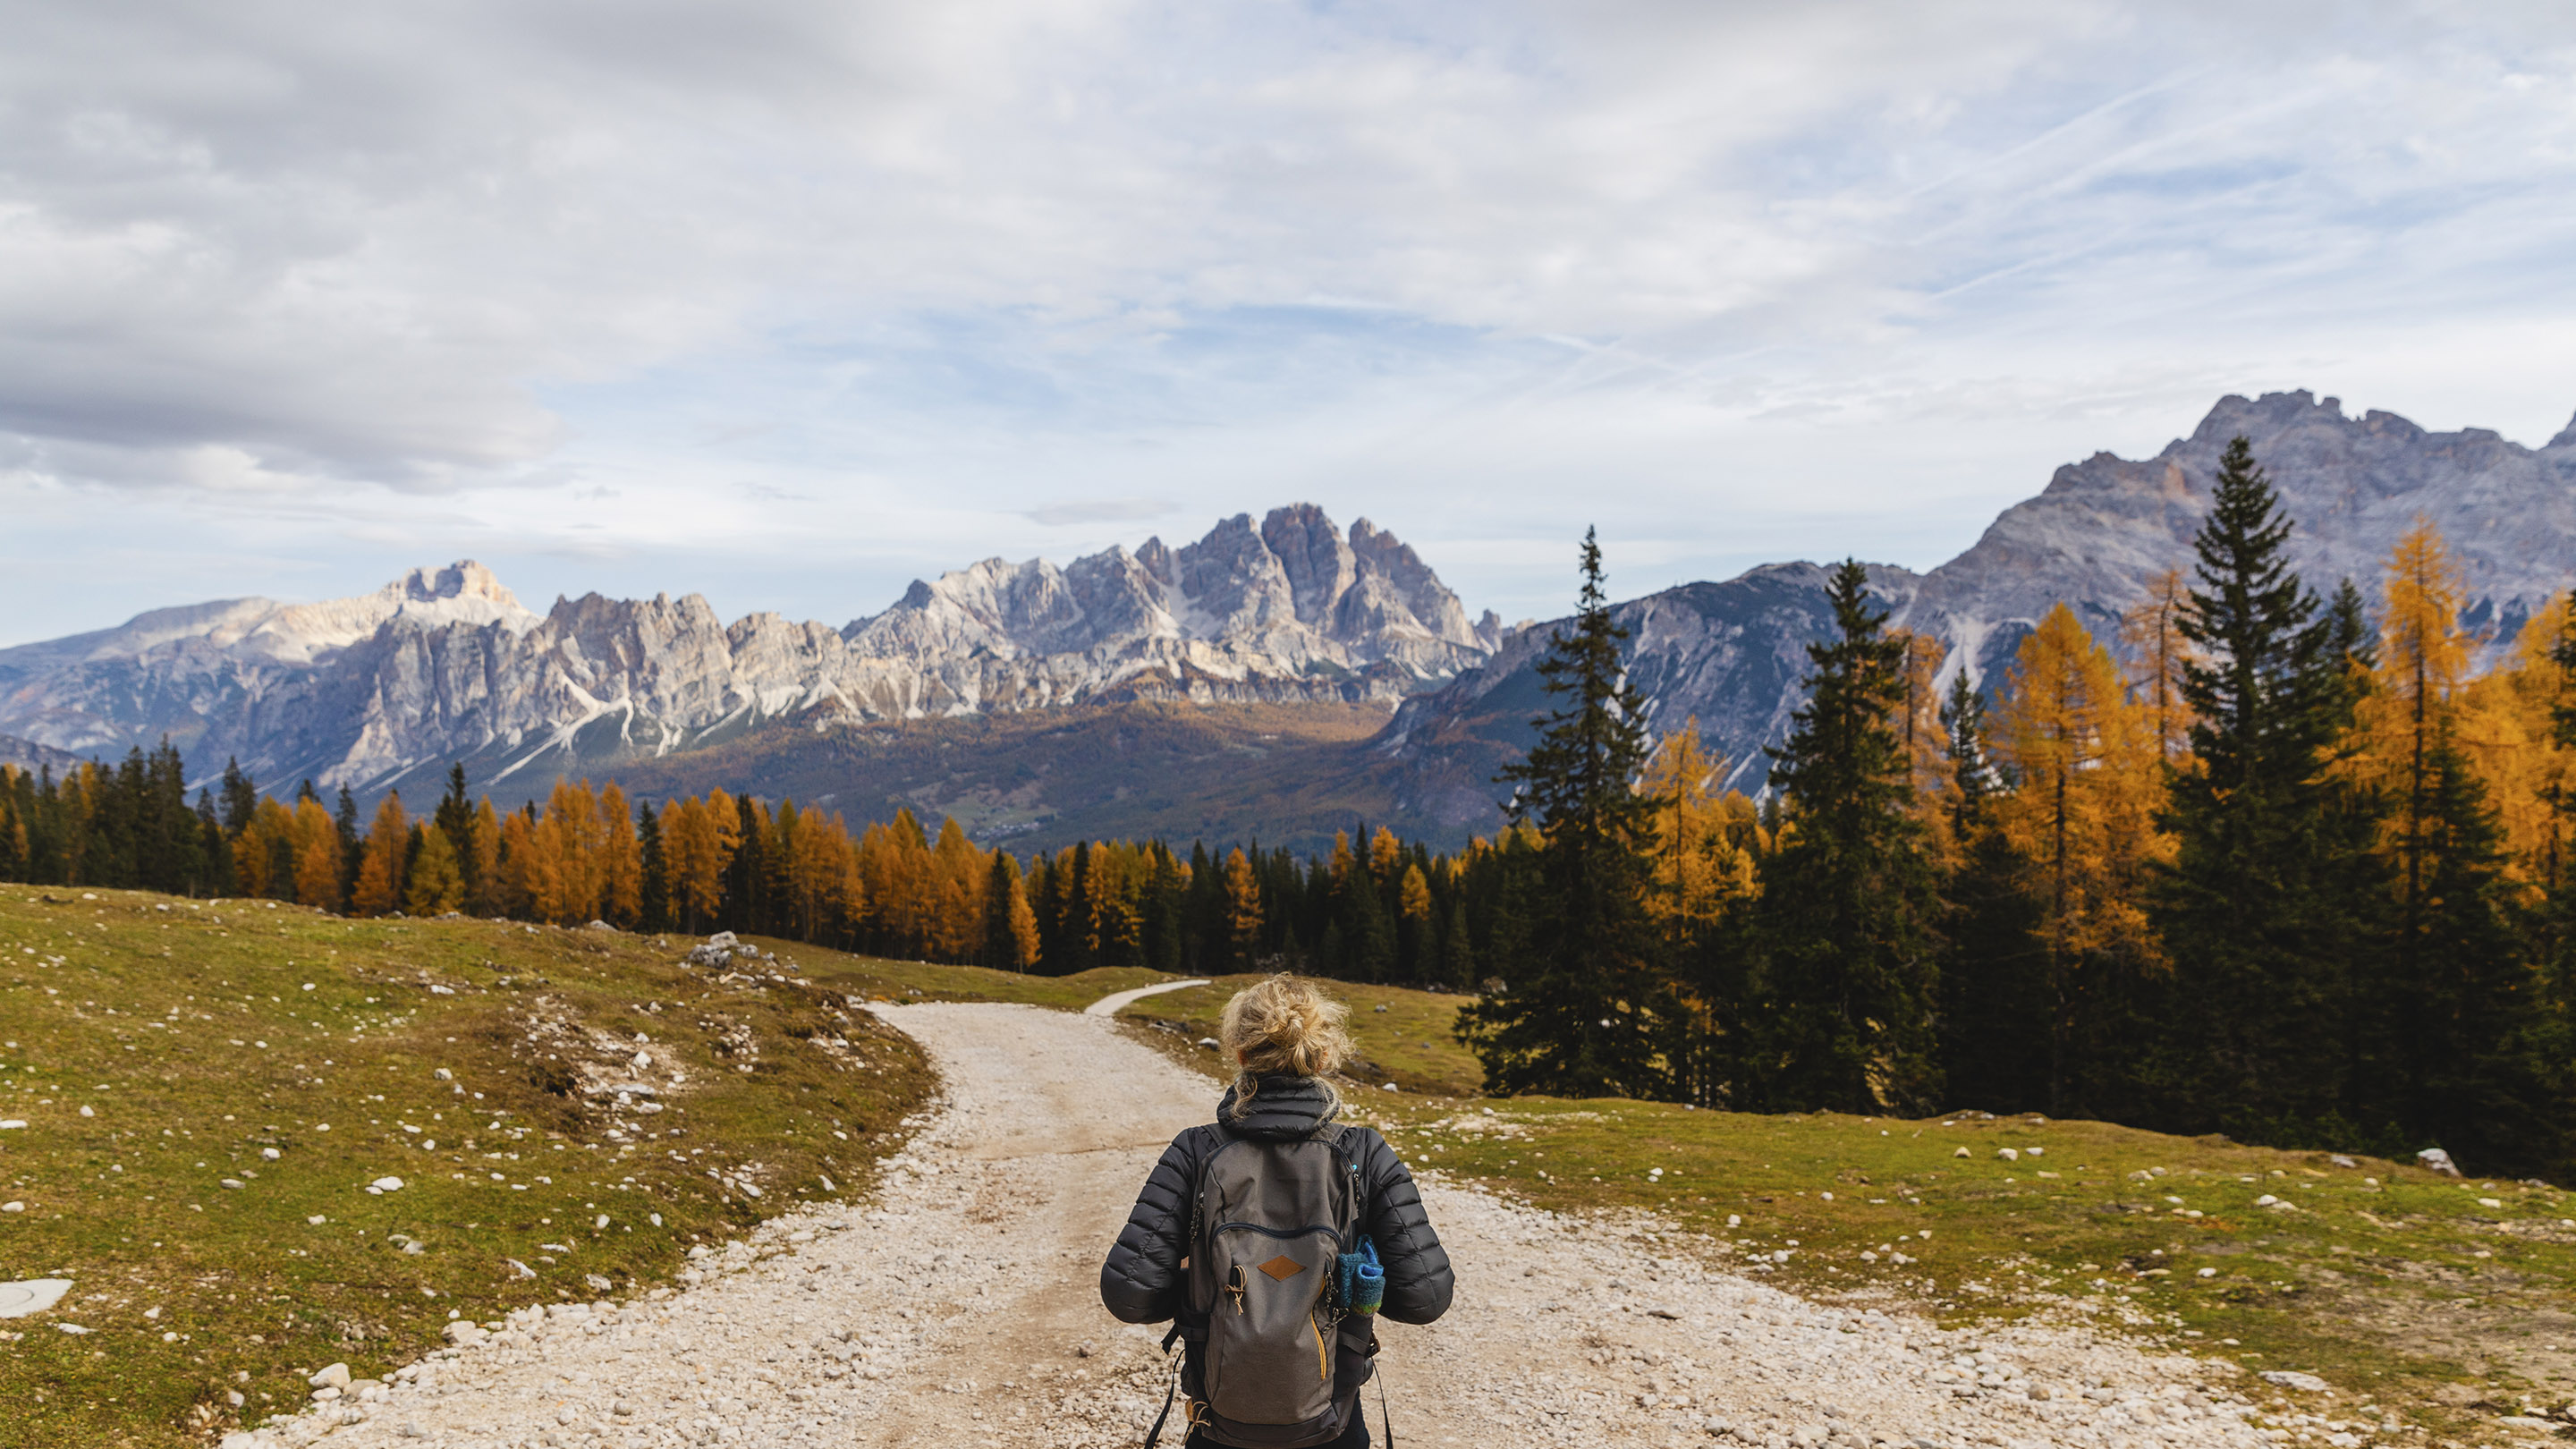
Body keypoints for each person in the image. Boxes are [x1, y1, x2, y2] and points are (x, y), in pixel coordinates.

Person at [1101, 974, 1453, 1449]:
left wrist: (1206, 1290)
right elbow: (1426, 1298)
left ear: (1241, 1055)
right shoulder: (1362, 1153)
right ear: (1323, 1057)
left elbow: (1128, 1295)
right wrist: (1344, 1291)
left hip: (1220, 1420)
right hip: (1332, 1419)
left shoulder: (1196, 1151)